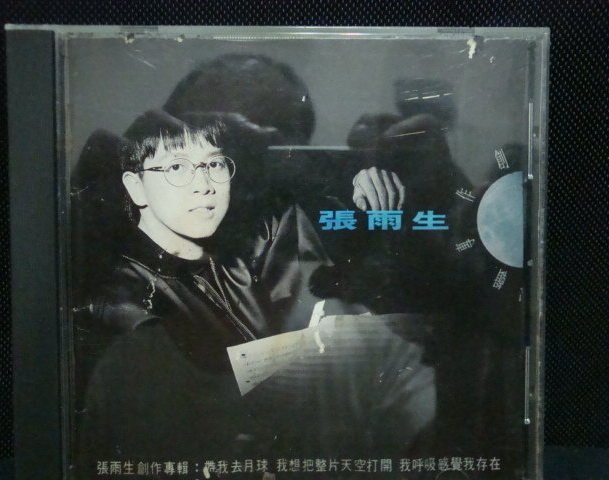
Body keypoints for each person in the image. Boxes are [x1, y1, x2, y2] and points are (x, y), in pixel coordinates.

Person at [76, 113, 436, 479]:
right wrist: (332, 339)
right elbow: (197, 388)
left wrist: (359, 182)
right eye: (177, 168)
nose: (204, 185)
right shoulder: (119, 298)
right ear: (135, 187)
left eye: (214, 164)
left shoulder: (236, 260)